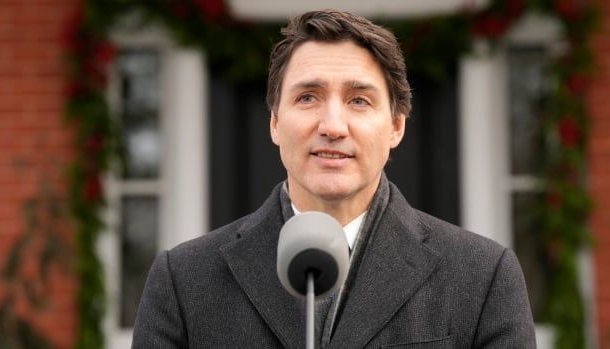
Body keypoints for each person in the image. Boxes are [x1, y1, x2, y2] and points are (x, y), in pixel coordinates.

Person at [132, 9, 536, 348]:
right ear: (275, 122)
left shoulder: (483, 277)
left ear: (396, 127)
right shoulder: (183, 281)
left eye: (359, 100)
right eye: (307, 97)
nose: (333, 126)